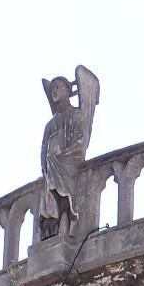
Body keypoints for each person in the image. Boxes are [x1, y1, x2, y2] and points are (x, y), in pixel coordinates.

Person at [40, 66, 99, 238]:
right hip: (52, 170)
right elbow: (44, 149)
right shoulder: (50, 125)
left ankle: (67, 222)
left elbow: (80, 142)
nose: (54, 92)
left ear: (68, 90)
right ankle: (53, 226)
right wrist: (47, 163)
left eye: (58, 87)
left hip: (66, 164)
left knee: (65, 198)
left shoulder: (77, 116)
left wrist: (60, 157)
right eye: (52, 89)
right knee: (51, 198)